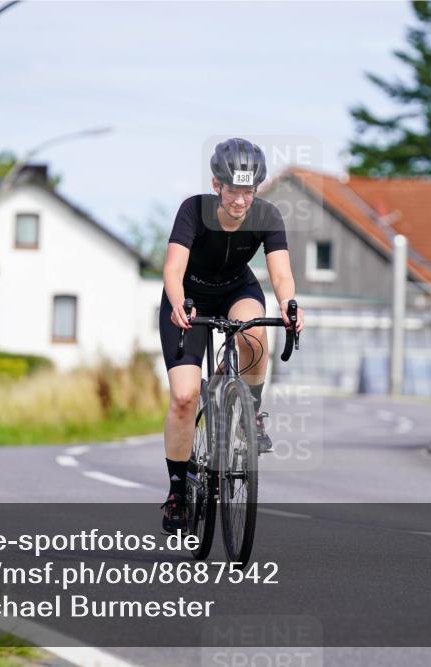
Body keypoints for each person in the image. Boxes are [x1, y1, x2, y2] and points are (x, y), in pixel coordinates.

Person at [158, 138, 304, 534]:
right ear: (217, 184)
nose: (241, 200)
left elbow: (281, 276)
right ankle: (176, 490)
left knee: (255, 332)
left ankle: (249, 414)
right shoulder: (193, 210)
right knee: (185, 397)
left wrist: (290, 306)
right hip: (188, 297)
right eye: (234, 190)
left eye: (248, 191)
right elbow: (173, 270)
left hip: (237, 290)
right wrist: (177, 303)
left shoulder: (267, 215)